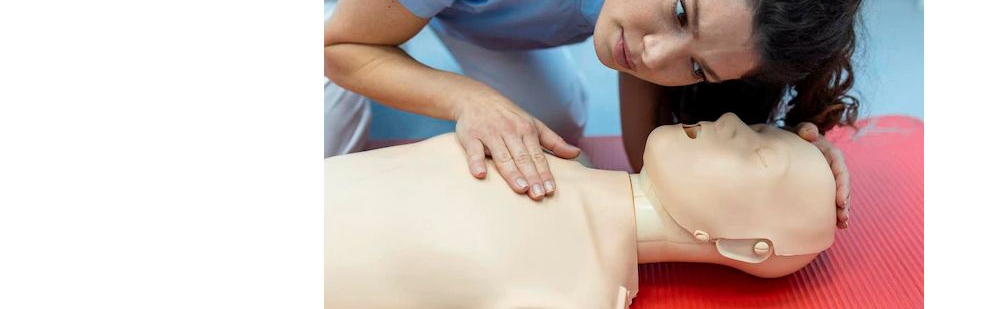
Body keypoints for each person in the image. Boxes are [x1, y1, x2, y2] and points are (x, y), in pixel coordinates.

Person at [324, 0, 861, 228]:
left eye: (697, 67)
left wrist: (790, 162)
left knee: (550, 131)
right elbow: (341, 45)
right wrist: (469, 99)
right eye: (680, 13)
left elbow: (649, 161)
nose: (655, 58)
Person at [325, 113, 837, 308]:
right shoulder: (556, 153)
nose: (730, 121)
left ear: (746, 247)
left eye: (759, 156)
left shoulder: (572, 289)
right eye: (761, 128)